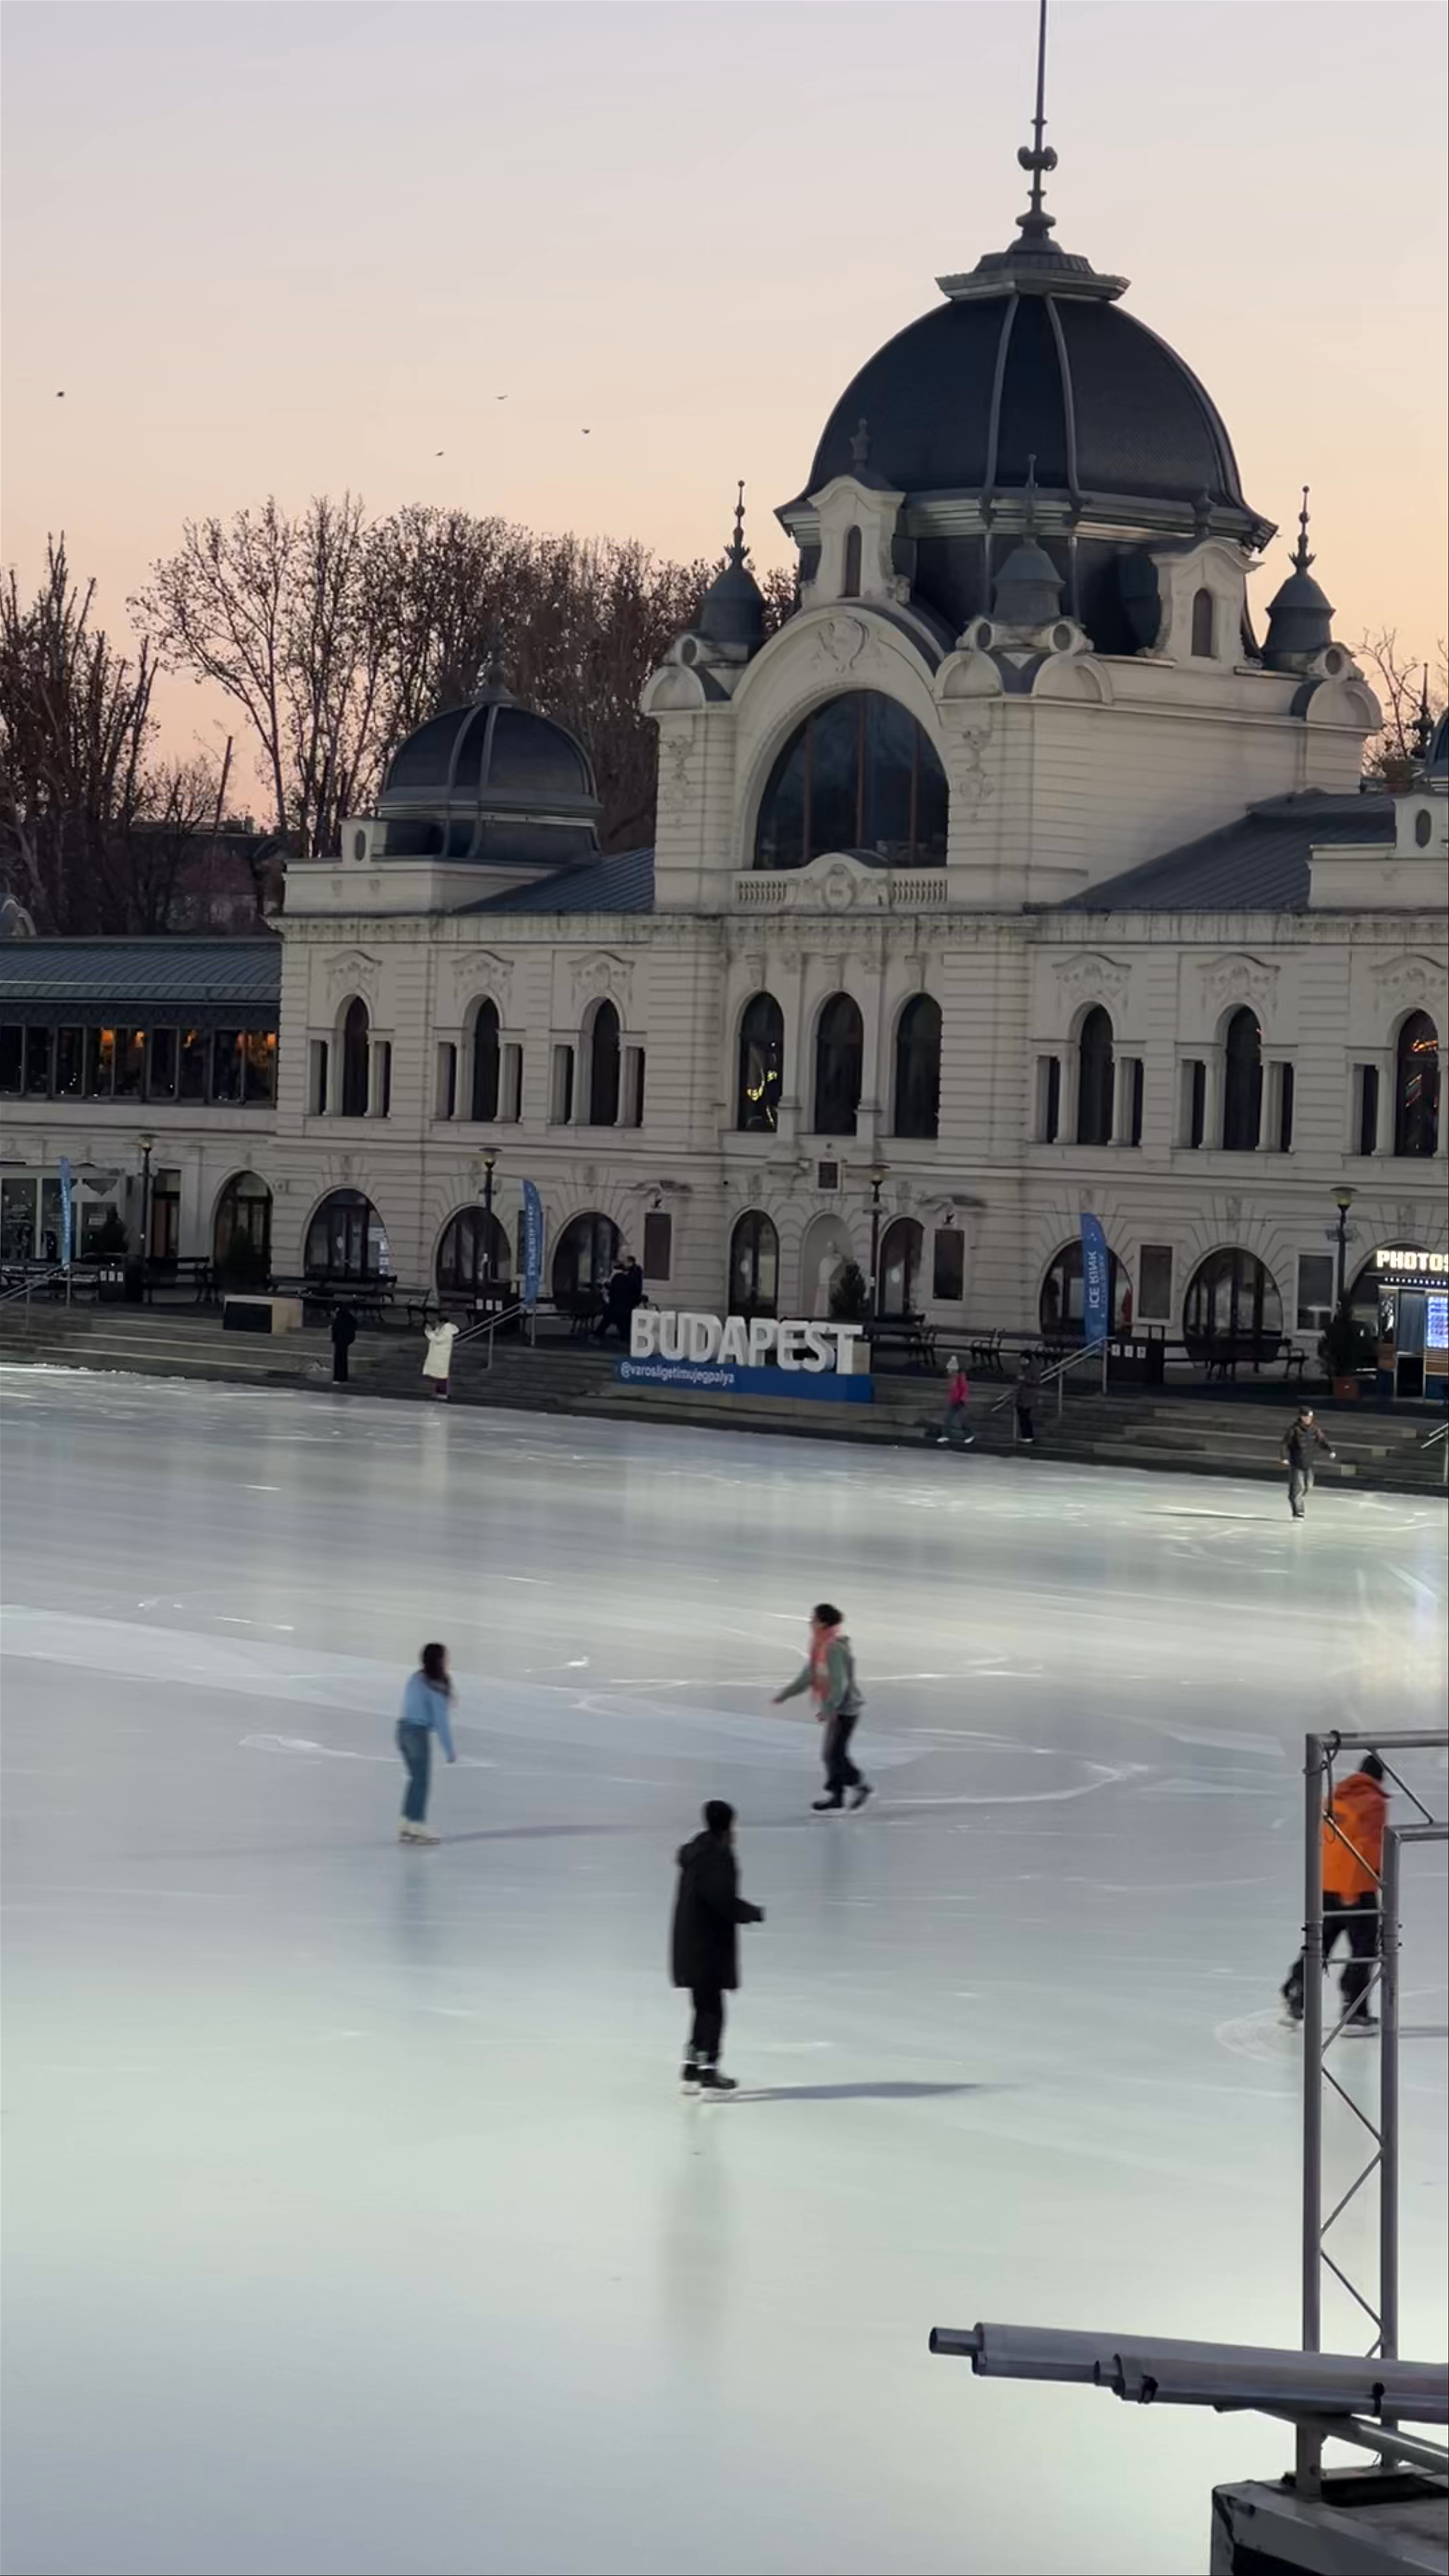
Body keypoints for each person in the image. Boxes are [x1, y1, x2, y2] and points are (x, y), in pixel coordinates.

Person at [1281, 1753, 1387, 2030]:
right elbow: (1364, 1848)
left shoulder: (1335, 1799)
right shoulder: (1374, 1803)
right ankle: (1355, 2007)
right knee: (1365, 1949)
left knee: (1321, 1943)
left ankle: (1297, 1986)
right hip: (1357, 1889)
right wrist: (1356, 1888)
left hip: (1328, 1887)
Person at [671, 1799, 764, 2094]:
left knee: (703, 2007)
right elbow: (721, 1899)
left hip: (691, 1942)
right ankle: (709, 2071)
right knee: (712, 2011)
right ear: (727, 1825)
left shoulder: (697, 1852)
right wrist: (751, 1912)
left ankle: (692, 2068)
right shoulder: (716, 1856)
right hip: (707, 1945)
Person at [773, 1602, 871, 1812]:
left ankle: (859, 1786)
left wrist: (830, 1707)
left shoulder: (833, 1648)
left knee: (834, 1755)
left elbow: (840, 1683)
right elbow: (808, 1676)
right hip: (837, 1709)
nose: (811, 1623)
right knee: (831, 1755)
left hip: (846, 1710)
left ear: (824, 1623)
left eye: (814, 1619)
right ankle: (838, 1795)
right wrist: (786, 1694)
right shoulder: (820, 1646)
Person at [396, 1642, 457, 1845]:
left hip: (402, 1731)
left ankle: (406, 1823)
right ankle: (417, 1824)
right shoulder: (435, 1685)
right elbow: (441, 1720)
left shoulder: (416, 1678)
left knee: (415, 1779)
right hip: (417, 1733)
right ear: (440, 1660)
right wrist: (450, 1750)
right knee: (421, 1781)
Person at [1281, 1404, 1335, 1519]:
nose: (1308, 1419)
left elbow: (1322, 1441)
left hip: (1309, 1463)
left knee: (1308, 1486)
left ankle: (1295, 1497)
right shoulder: (1294, 1430)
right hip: (1297, 1463)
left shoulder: (1315, 1429)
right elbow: (1285, 1444)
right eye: (1306, 1417)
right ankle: (1298, 1512)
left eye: (1310, 1417)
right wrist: (1284, 1457)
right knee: (1298, 1488)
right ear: (1301, 1417)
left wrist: (1330, 1450)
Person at [936, 1353, 973, 1449]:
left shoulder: (960, 1377)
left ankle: (969, 1435)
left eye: (950, 1370)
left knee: (962, 1420)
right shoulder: (953, 1378)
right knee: (949, 1419)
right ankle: (946, 1435)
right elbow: (953, 1391)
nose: (949, 1371)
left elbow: (964, 1388)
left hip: (960, 1401)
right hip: (955, 1401)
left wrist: (962, 1399)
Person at [422, 1316, 458, 1400]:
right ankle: (439, 1392)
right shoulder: (443, 1329)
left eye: (437, 1322)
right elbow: (436, 1335)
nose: (436, 1324)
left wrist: (428, 1332)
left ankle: (443, 1393)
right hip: (439, 1355)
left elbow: (437, 1339)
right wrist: (430, 1331)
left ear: (442, 1323)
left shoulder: (447, 1330)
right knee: (439, 1375)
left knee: (442, 1375)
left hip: (442, 1356)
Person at [1015, 1349, 1042, 1446]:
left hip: (1029, 1396)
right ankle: (1026, 1435)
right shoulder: (1023, 1368)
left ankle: (1028, 1436)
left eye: (1023, 1360)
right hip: (1023, 1395)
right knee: (1023, 1416)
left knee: (1025, 1416)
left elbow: (1036, 1382)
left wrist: (1025, 1380)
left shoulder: (1033, 1368)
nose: (1022, 1361)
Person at [330, 1302, 357, 1386]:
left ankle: (338, 1378)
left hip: (340, 1341)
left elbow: (336, 1329)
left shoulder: (340, 1318)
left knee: (339, 1361)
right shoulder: (348, 1316)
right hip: (345, 1342)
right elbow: (354, 1324)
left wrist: (334, 1338)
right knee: (344, 1360)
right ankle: (343, 1378)